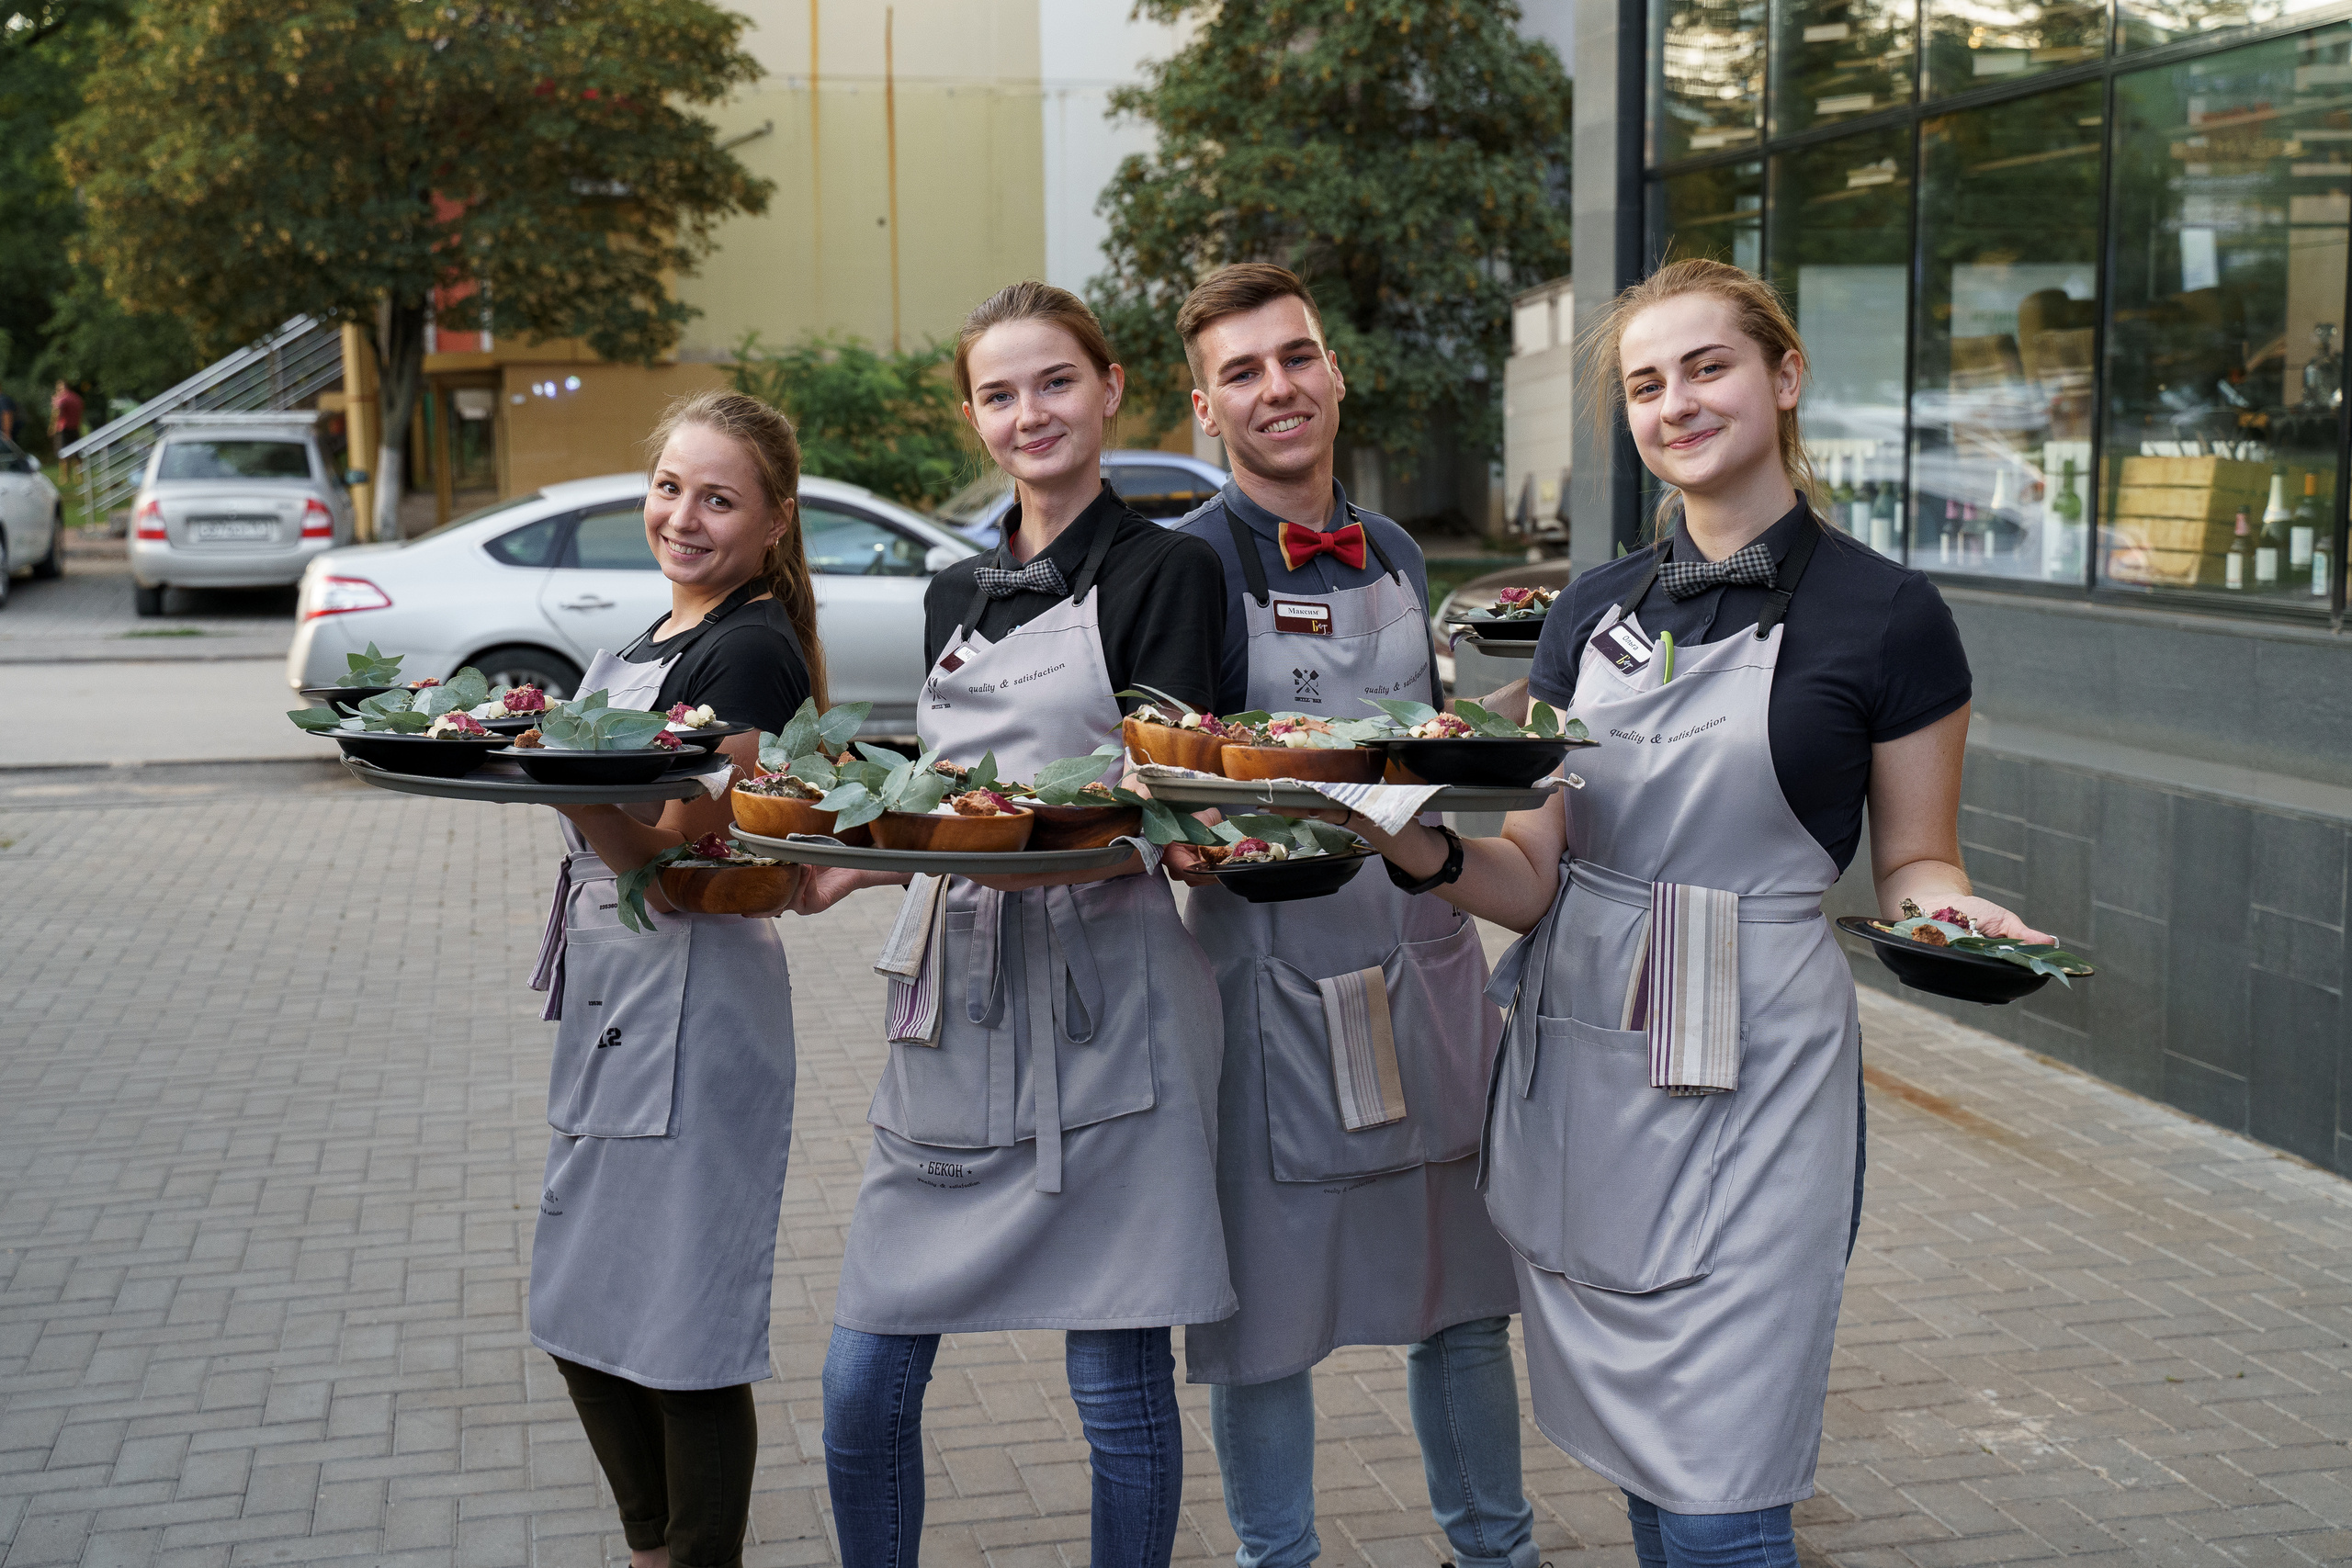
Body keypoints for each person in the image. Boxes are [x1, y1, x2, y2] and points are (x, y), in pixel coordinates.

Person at [1342, 257, 2054, 1568]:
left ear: (1784, 377)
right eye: (1646, 382)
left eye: (1708, 366)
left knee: (1724, 1491)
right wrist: (1416, 846)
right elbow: (1537, 873)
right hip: (1589, 1066)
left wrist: (1956, 913)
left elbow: (1915, 861)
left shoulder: (1893, 613)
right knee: (1645, 1468)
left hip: (1760, 1073)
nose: (1677, 403)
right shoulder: (1590, 607)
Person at [792, 281, 1236, 1568]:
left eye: (1055, 381)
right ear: (973, 416)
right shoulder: (956, 590)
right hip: (958, 1009)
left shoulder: (1169, 569)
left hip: (1112, 1004)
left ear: (1109, 390)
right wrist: (854, 860)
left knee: (1116, 1382)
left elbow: (1159, 804)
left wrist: (933, 843)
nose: (1029, 411)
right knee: (862, 1380)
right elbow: (951, 807)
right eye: (999, 391)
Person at [1160, 264, 1535, 1568]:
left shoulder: (1399, 551)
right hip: (1269, 972)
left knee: (1468, 1296)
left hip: (1418, 952)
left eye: (1298, 356)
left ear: (1335, 370)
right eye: (1246, 370)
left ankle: (1497, 1551)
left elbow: (1422, 749)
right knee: (1266, 1313)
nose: (1281, 387)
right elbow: (1170, 793)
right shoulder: (1188, 566)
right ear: (1205, 407)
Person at [528, 389, 826, 1568]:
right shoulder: (653, 637)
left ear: (774, 521)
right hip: (620, 992)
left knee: (680, 1325)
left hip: (696, 996)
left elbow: (680, 852)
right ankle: (654, 1550)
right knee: (581, 1306)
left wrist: (563, 781)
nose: (684, 516)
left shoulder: (749, 647)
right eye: (668, 487)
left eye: (718, 497)